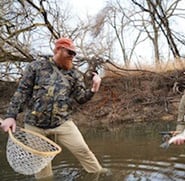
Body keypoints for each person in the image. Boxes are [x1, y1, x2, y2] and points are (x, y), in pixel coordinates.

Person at [0, 37, 108, 179]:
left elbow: (81, 98)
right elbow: (22, 92)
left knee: (83, 150)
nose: (72, 56)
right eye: (69, 52)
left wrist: (94, 88)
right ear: (58, 50)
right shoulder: (36, 67)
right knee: (42, 165)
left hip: (62, 123)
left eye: (74, 54)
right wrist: (10, 116)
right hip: (35, 125)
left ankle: (101, 176)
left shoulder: (74, 74)